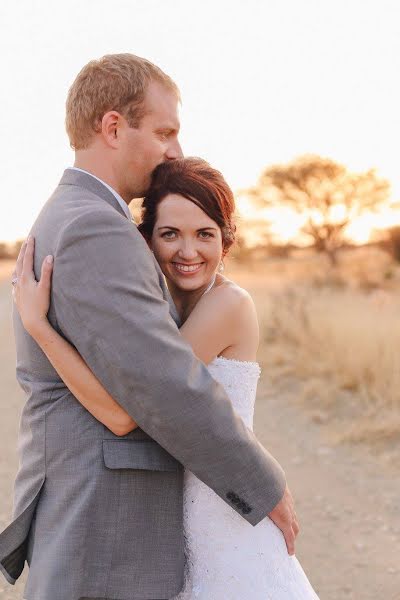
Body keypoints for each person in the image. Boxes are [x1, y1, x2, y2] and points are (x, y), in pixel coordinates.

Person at [0, 54, 296, 600]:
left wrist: (41, 328)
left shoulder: (80, 215)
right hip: (103, 514)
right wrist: (263, 482)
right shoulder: (94, 225)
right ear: (113, 127)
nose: (175, 150)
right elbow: (162, 384)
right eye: (164, 131)